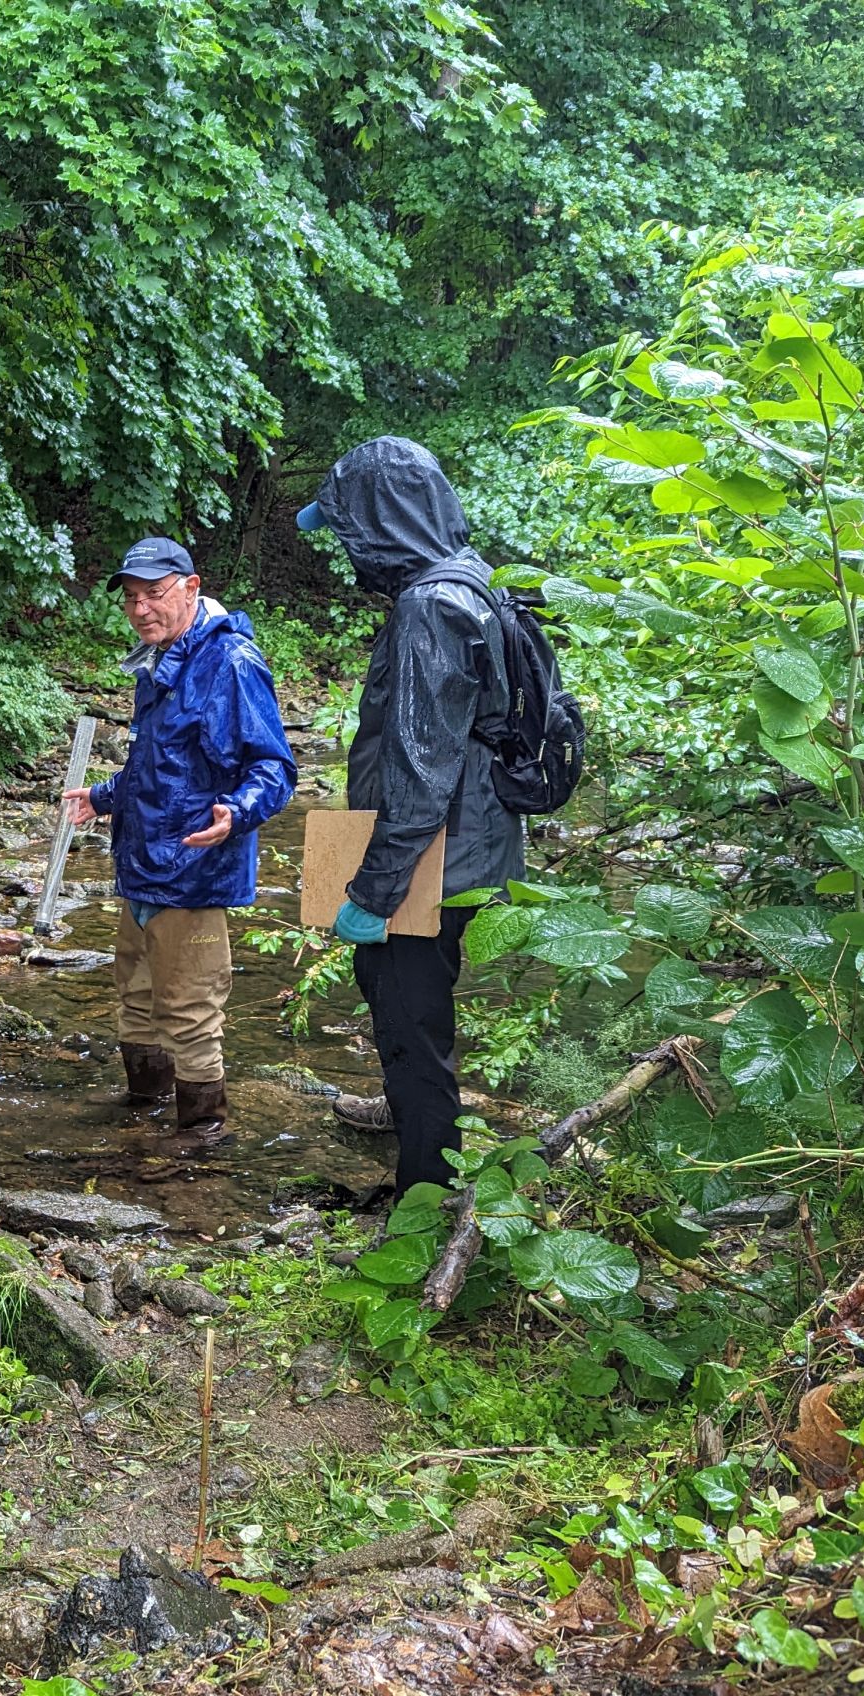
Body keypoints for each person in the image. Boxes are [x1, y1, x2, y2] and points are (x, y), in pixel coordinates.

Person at [299, 437, 525, 1196]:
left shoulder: (430, 608)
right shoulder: (476, 584)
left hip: (432, 861)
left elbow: (420, 774)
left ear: (380, 523)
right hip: (473, 846)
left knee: (409, 1030)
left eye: (347, 532)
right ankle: (427, 1164)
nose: (345, 552)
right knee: (416, 1022)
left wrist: (371, 892)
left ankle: (424, 1203)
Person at [62, 536, 295, 1146]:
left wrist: (237, 813)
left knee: (190, 1012)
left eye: (154, 594)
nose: (141, 609)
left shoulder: (232, 663)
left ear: (191, 588)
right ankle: (142, 1107)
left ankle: (203, 1135)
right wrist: (102, 797)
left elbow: (275, 769)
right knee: (136, 1000)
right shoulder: (159, 660)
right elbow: (159, 765)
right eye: (132, 599)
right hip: (141, 866)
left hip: (194, 870)